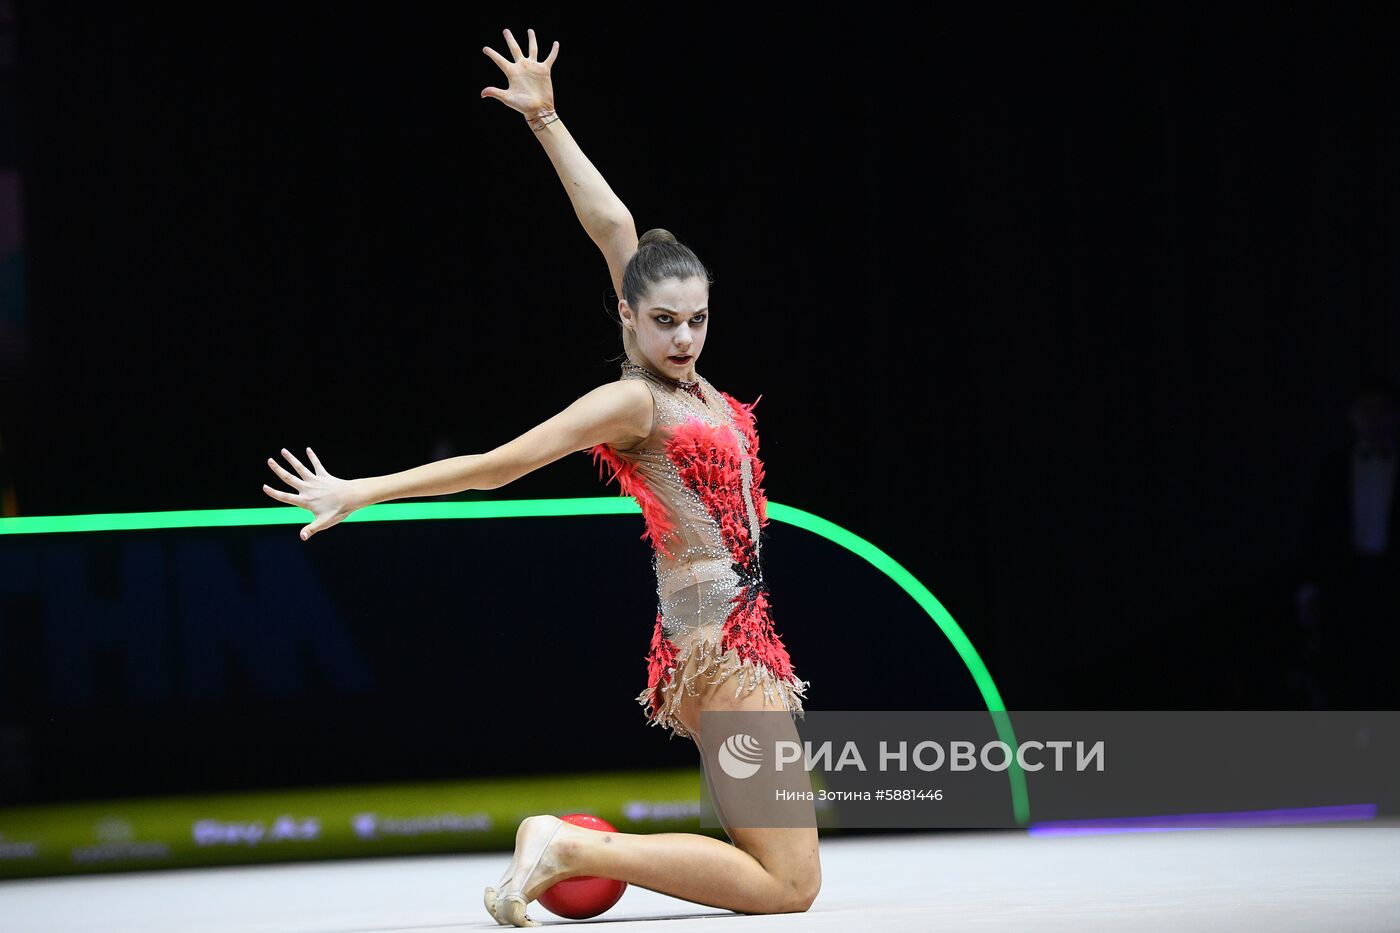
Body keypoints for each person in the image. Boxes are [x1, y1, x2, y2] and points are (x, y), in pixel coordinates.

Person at [262, 27, 819, 926]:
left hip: (730, 637)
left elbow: (616, 227)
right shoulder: (632, 402)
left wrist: (549, 119)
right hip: (721, 644)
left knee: (778, 872)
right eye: (665, 321)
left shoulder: (691, 384)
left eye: (698, 320)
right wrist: (363, 490)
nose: (684, 337)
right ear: (628, 316)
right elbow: (498, 466)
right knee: (789, 882)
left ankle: (571, 847)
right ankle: (570, 845)